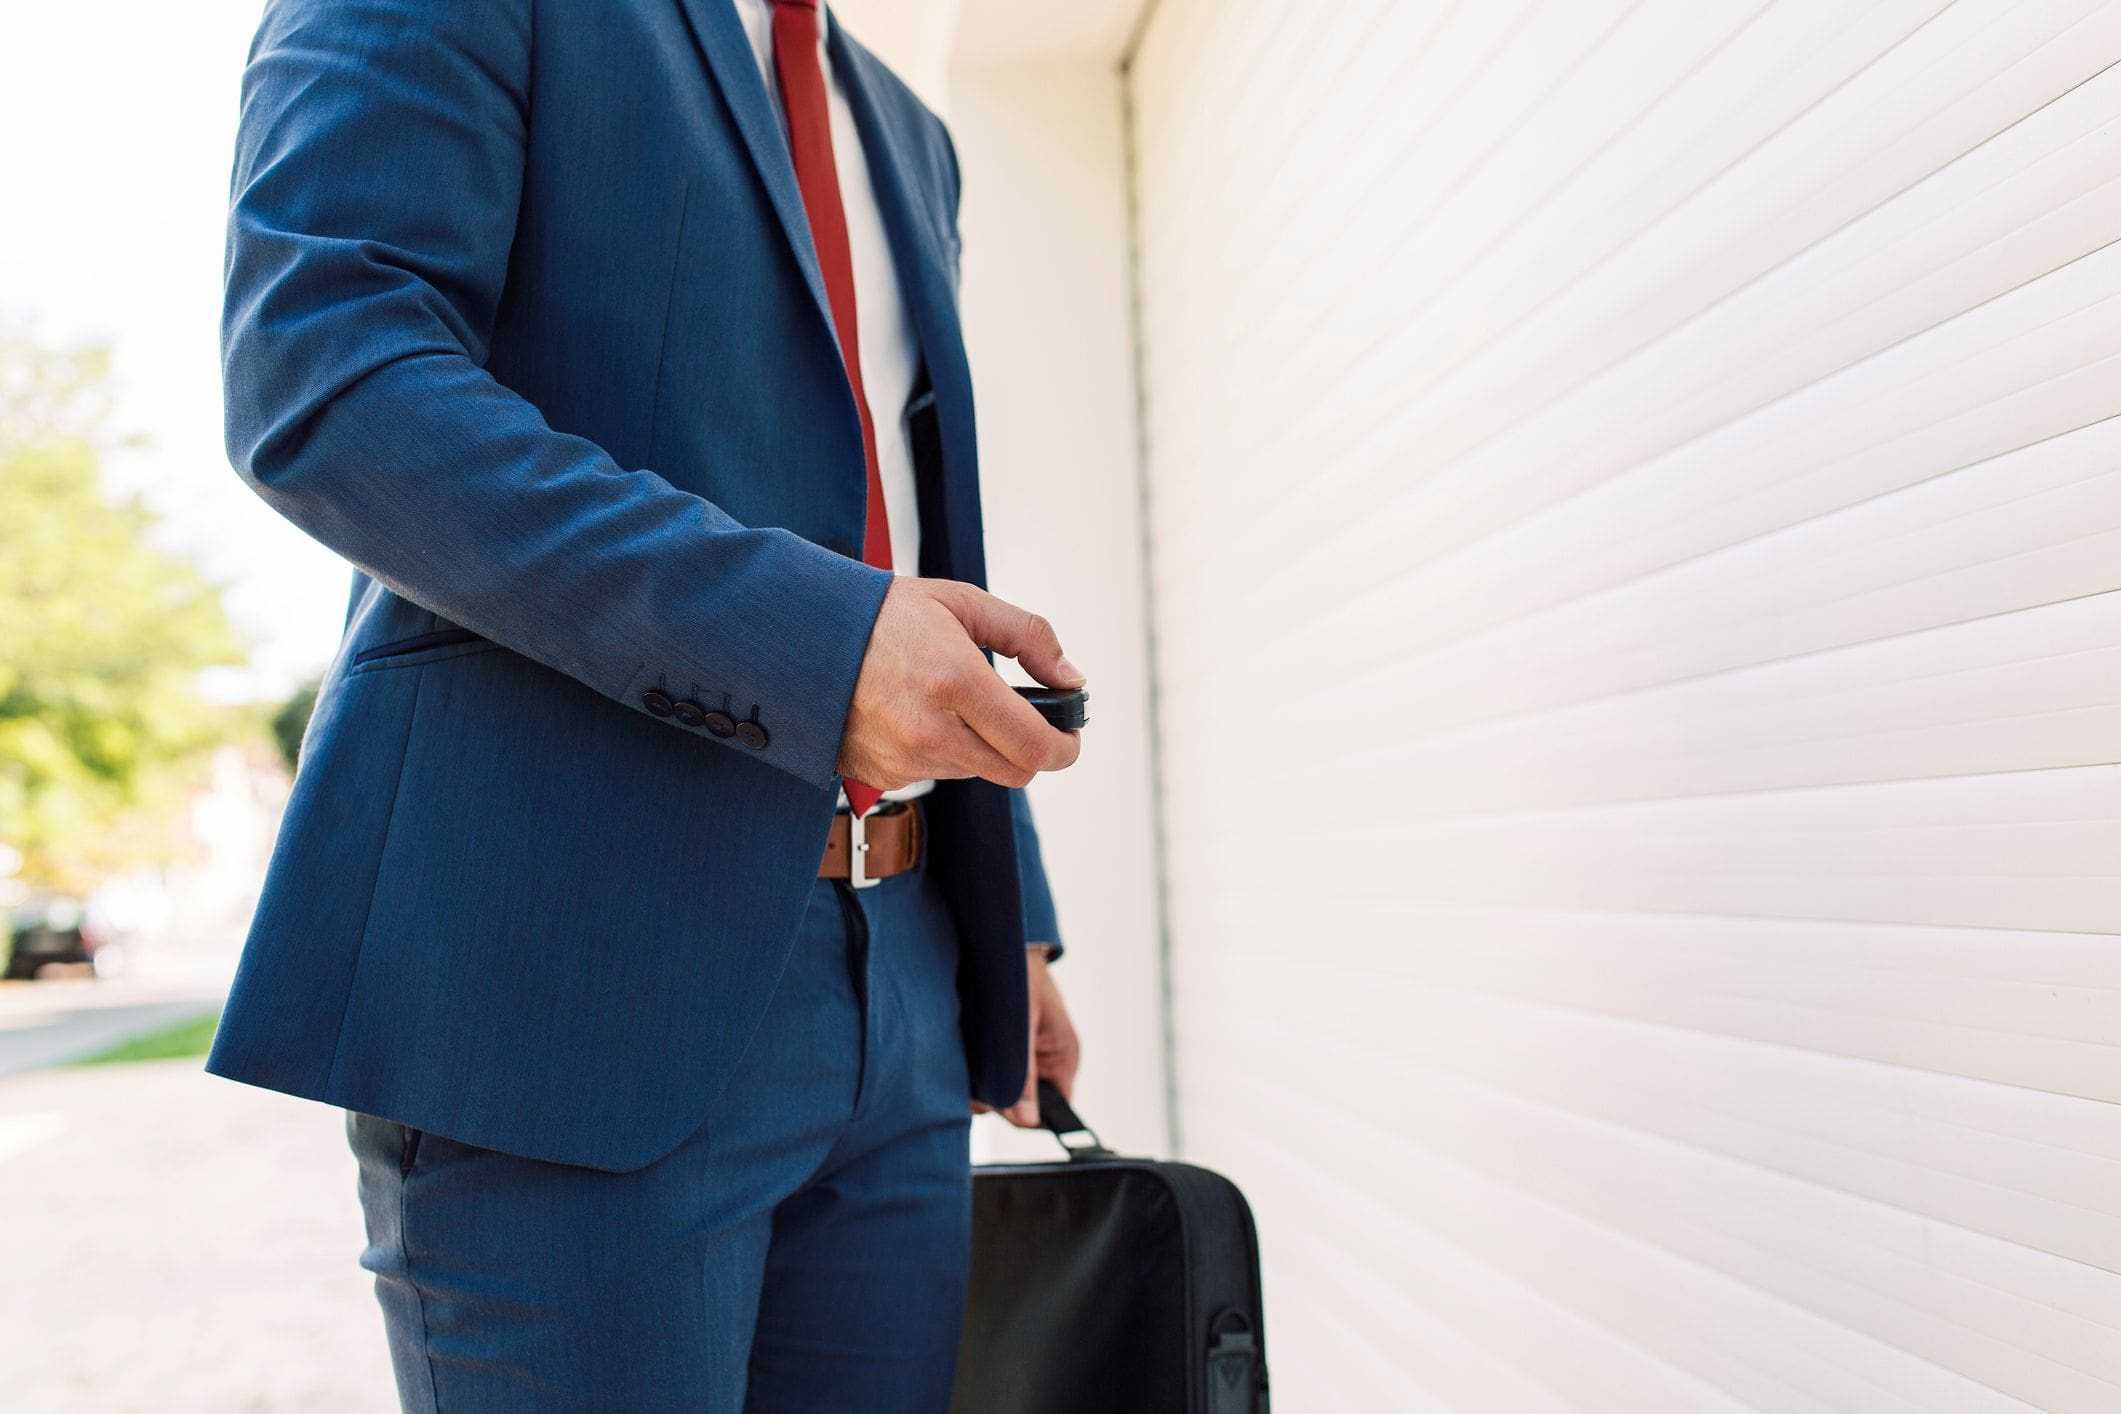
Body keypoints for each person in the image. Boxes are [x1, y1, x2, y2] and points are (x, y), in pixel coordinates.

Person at [204, 0, 1086, 1407]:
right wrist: (809, 649)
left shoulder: (904, 132)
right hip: (569, 984)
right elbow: (327, 381)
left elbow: (908, 535)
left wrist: (1004, 914)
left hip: (905, 975)